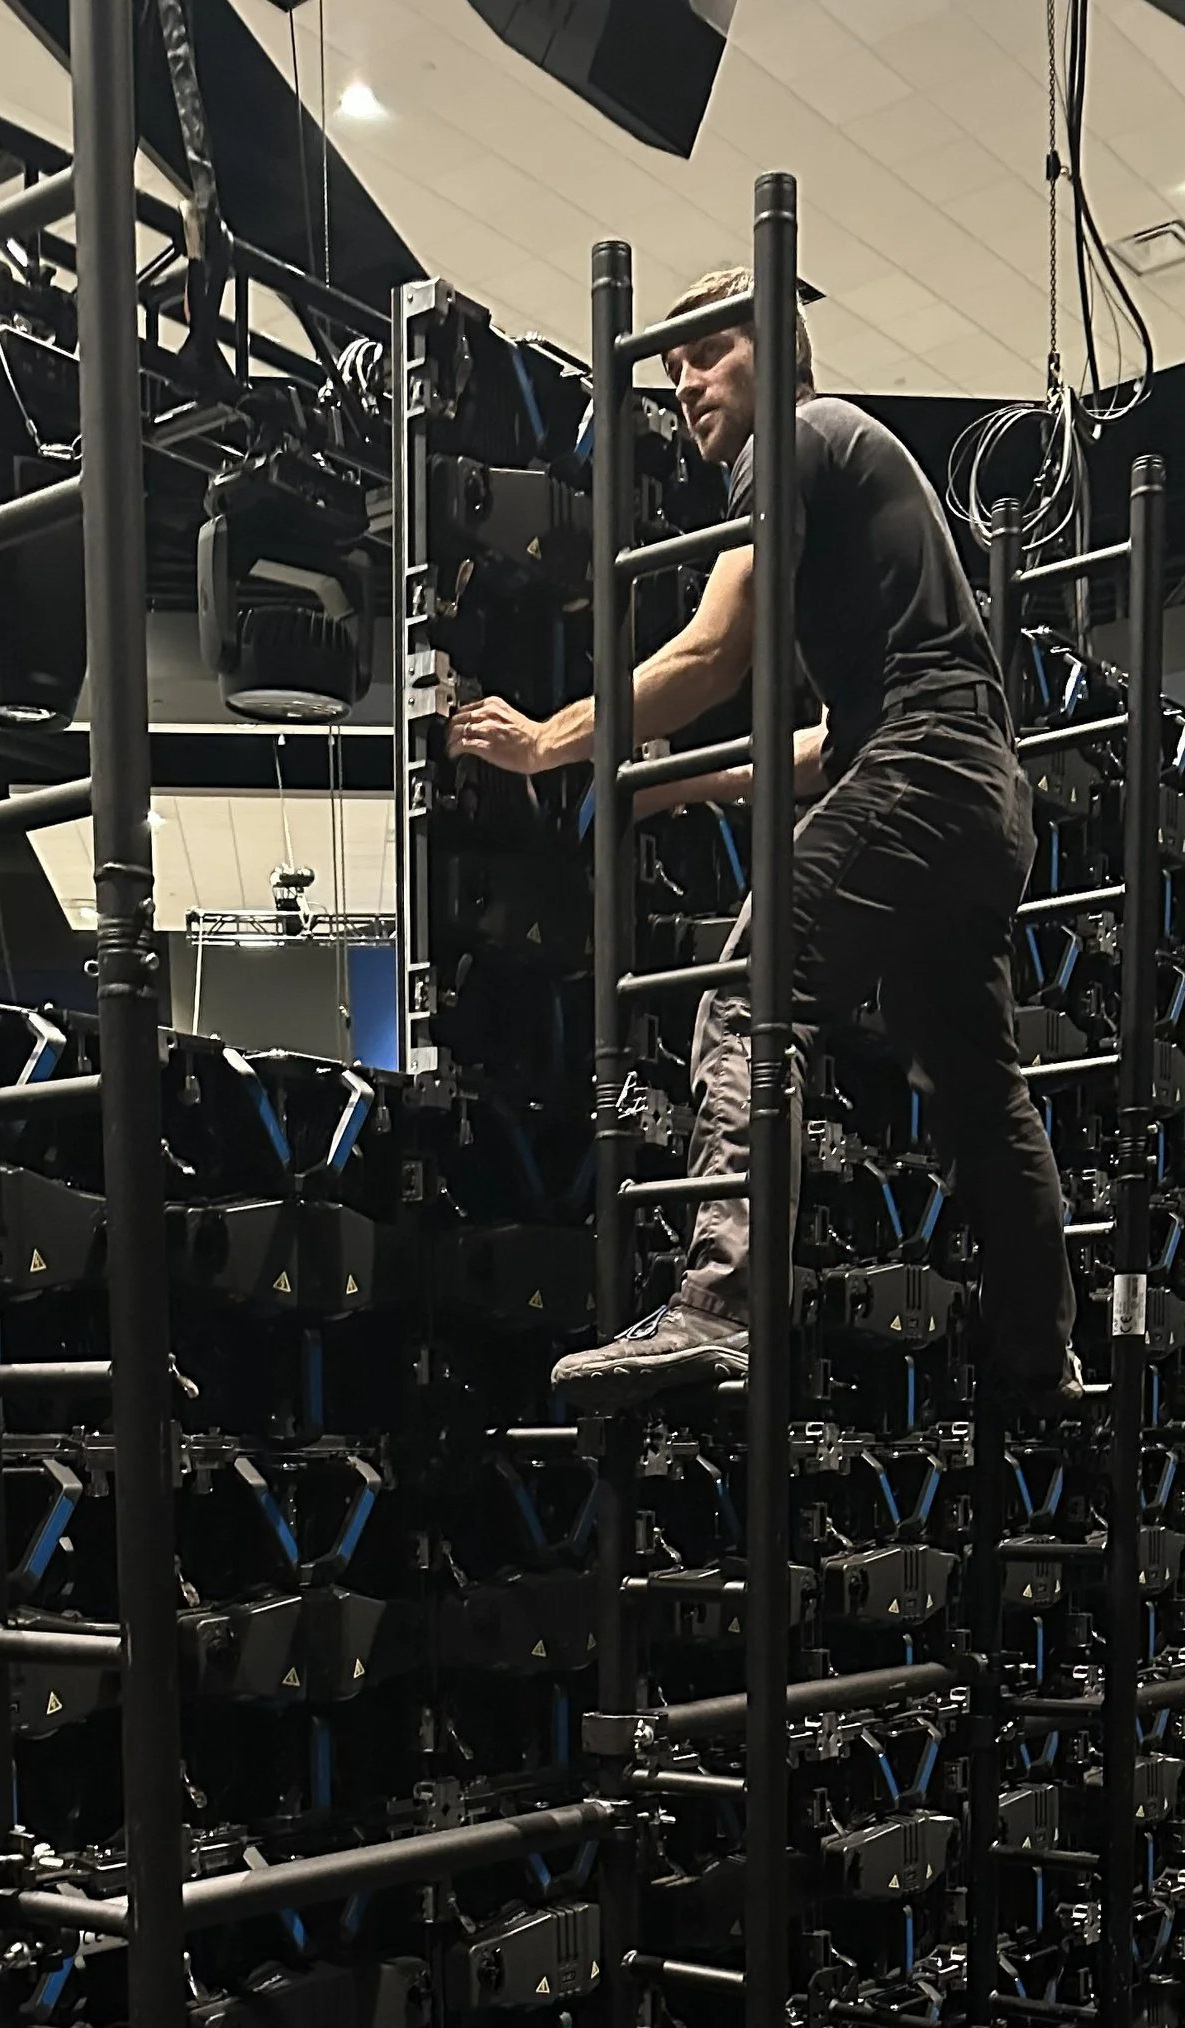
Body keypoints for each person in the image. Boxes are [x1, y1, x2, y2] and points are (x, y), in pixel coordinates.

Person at [448, 269, 1076, 1410]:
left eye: (713, 351)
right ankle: (1040, 1355)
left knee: (744, 994)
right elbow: (832, 737)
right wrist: (688, 783)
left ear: (780, 353)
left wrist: (548, 741)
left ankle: (720, 1310)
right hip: (976, 798)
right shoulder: (851, 462)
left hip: (926, 771)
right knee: (978, 1088)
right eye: (675, 363)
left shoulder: (793, 440)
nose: (688, 382)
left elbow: (711, 653)